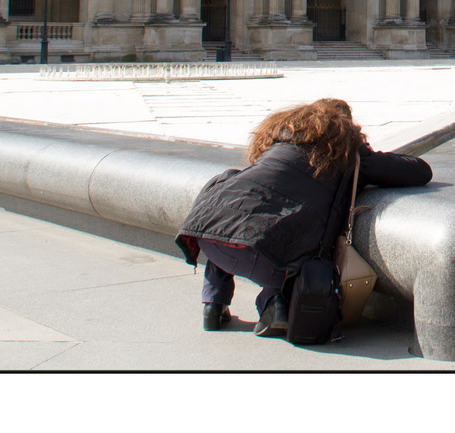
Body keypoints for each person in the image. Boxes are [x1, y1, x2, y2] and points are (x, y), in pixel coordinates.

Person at [175, 98, 432, 339]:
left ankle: (212, 305)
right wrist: (365, 152)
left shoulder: (279, 143)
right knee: (287, 253)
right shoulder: (348, 155)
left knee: (234, 222)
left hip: (210, 241)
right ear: (346, 127)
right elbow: (419, 171)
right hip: (265, 259)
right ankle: (275, 303)